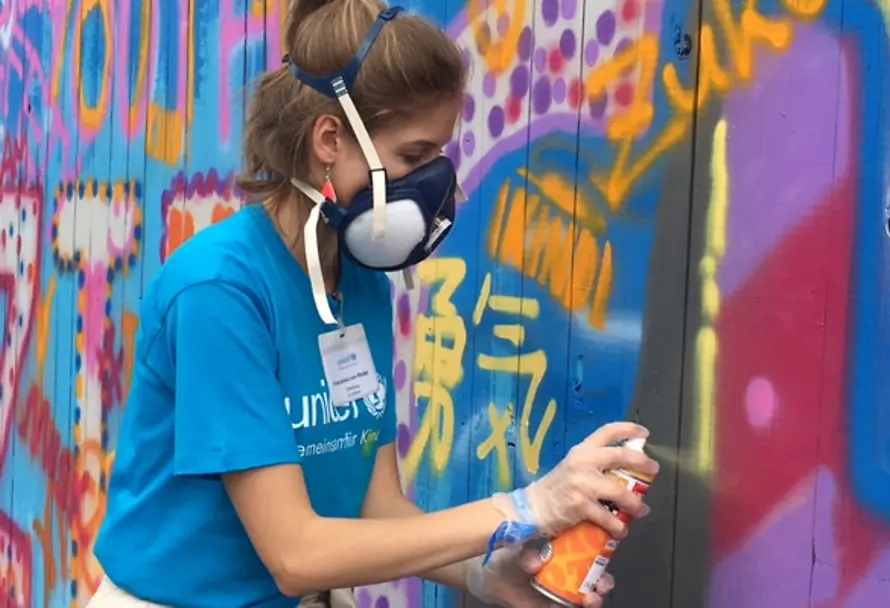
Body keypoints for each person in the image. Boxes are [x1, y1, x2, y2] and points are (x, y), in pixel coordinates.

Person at [89, 0, 660, 607]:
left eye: (439, 157)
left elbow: (377, 507)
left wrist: (485, 572)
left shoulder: (359, 282)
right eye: (414, 156)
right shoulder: (219, 291)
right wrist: (525, 508)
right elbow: (295, 555)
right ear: (330, 139)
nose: (437, 185)